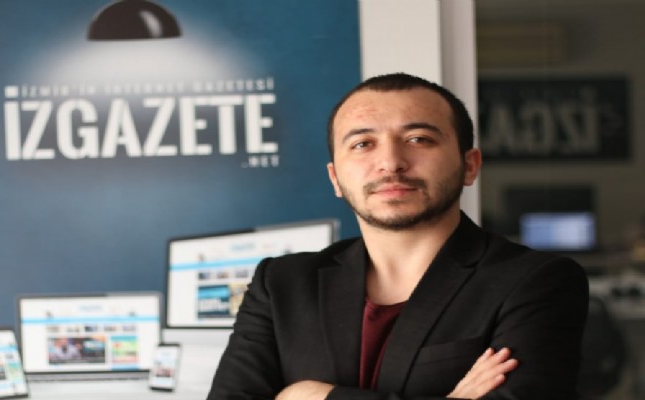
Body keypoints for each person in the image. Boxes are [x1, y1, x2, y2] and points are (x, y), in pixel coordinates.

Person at [207, 73, 589, 399]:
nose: (391, 162)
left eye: (419, 139)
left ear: (469, 165)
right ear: (335, 178)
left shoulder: (535, 281)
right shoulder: (281, 284)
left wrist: (317, 396)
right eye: (363, 144)